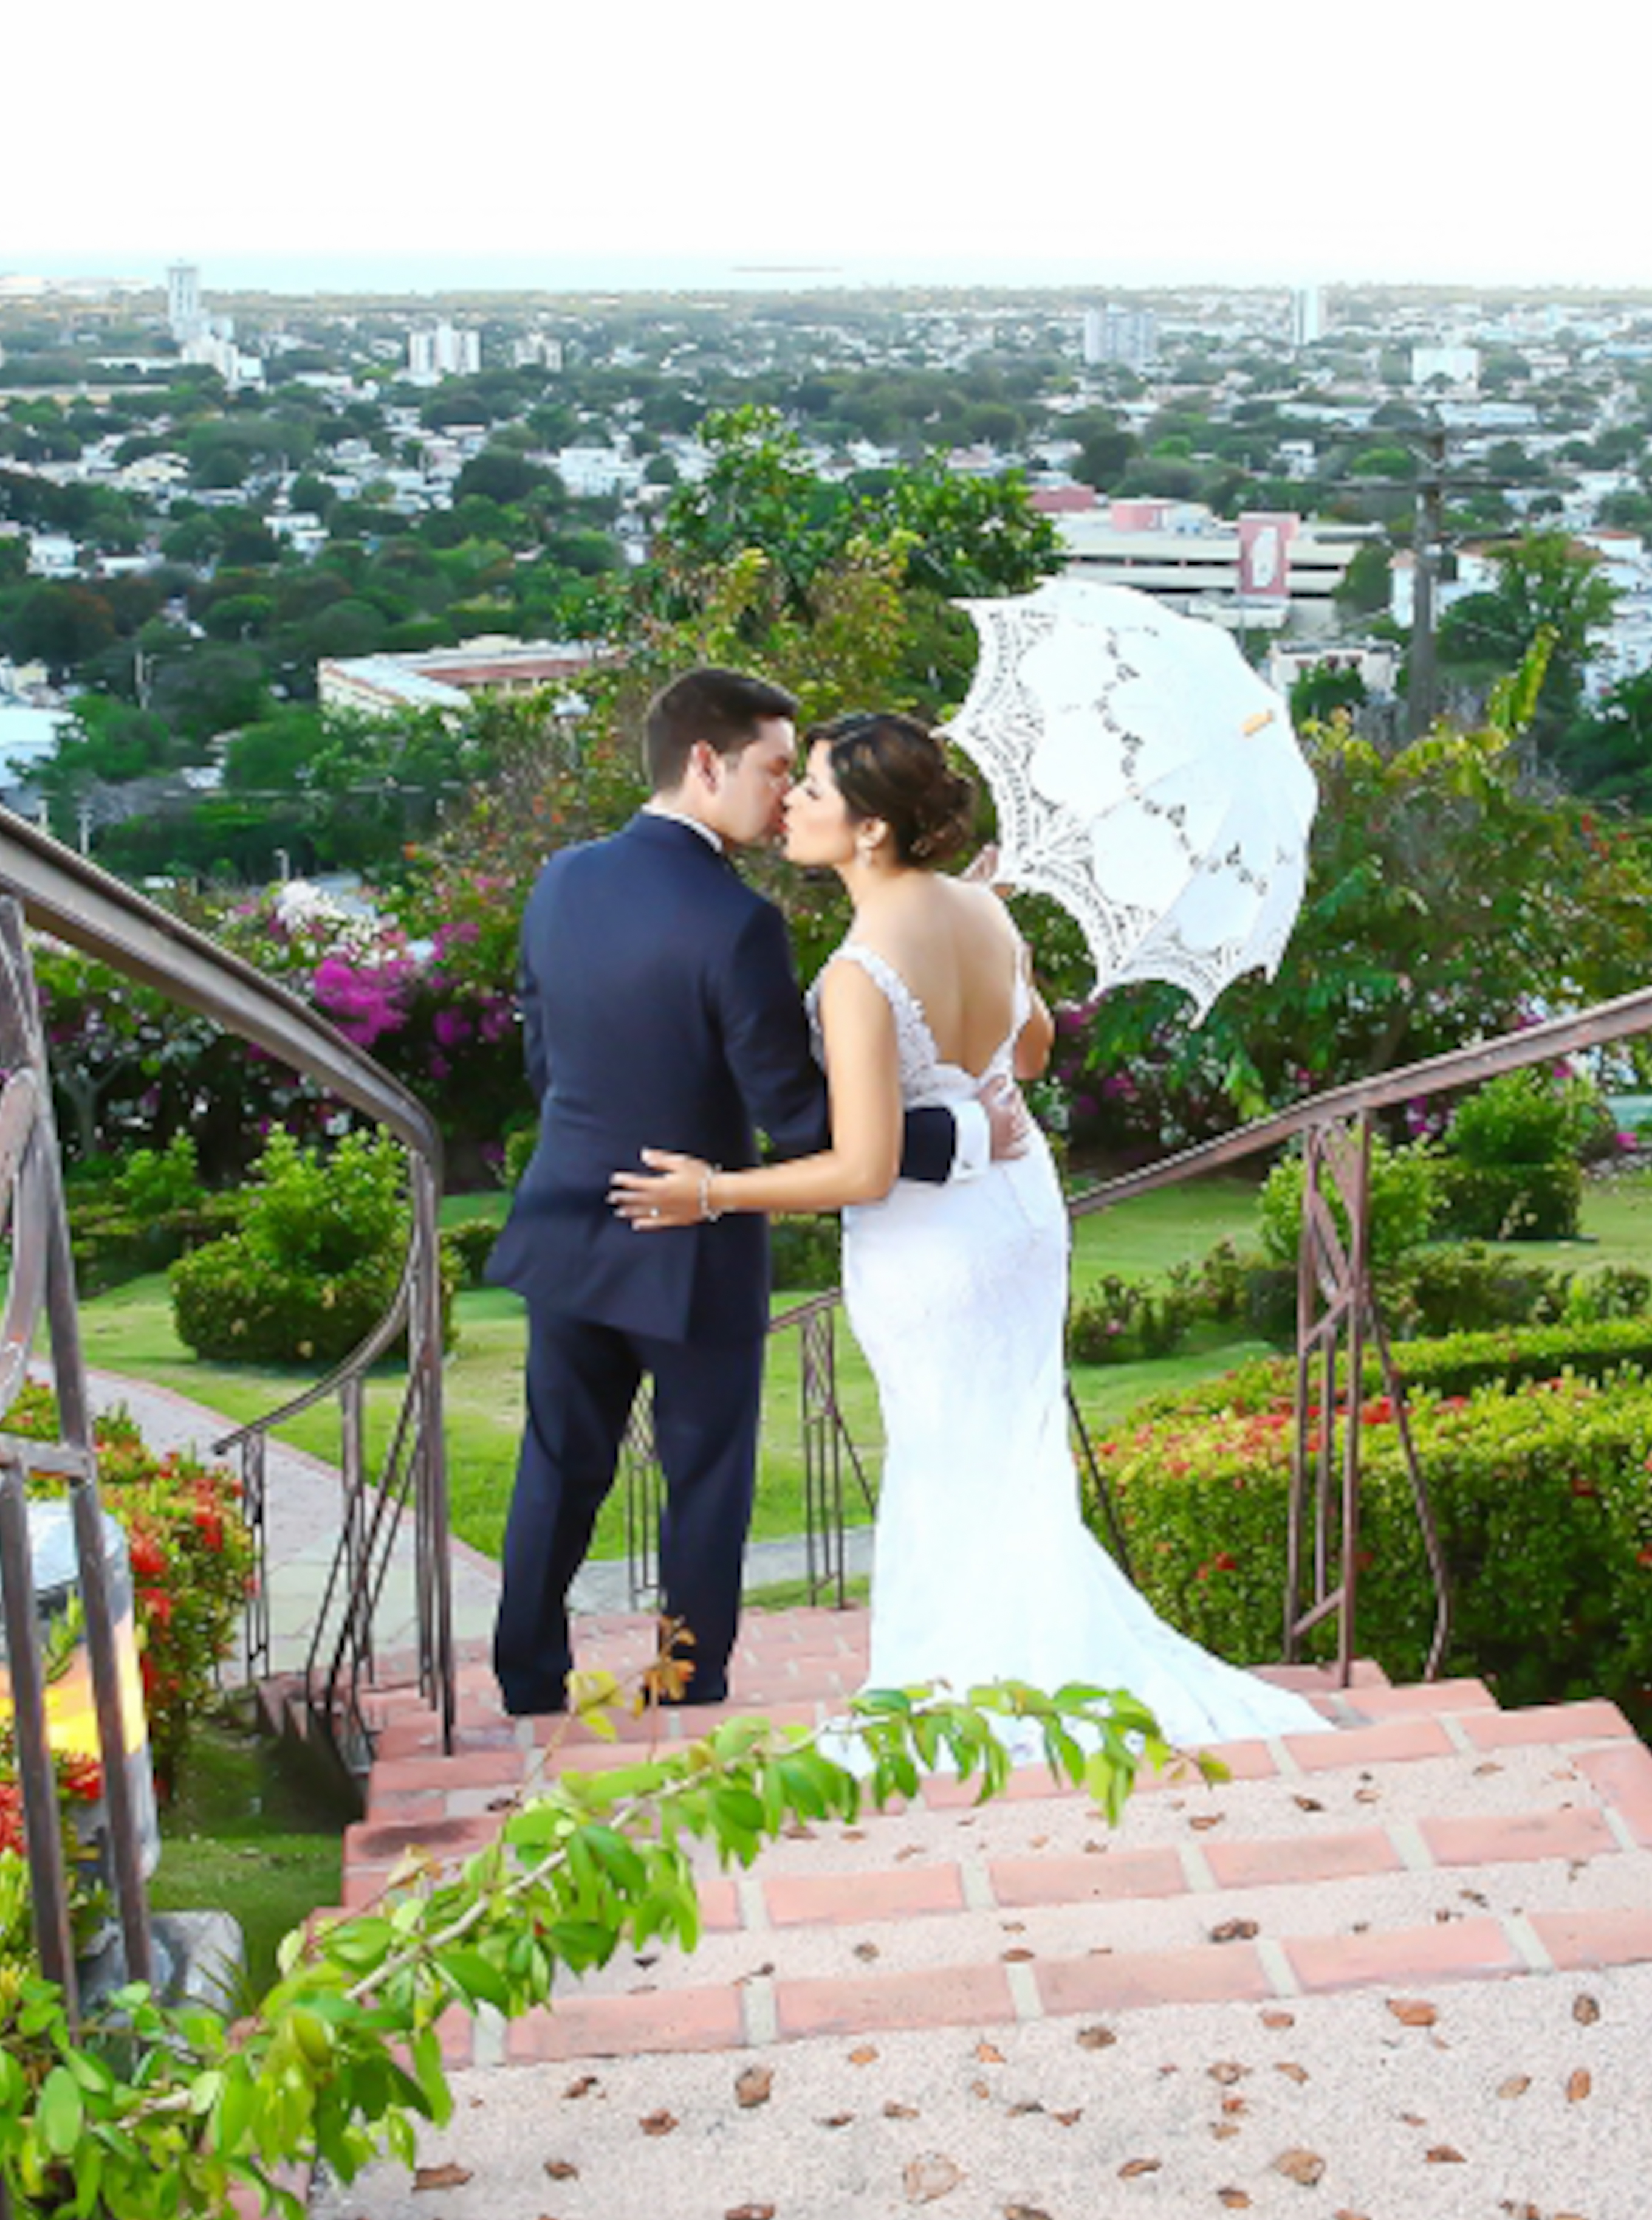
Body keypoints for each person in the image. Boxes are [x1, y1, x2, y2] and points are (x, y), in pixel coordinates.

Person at [608, 713, 1325, 1747]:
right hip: (1020, 1216)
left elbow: (860, 1166)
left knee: (946, 1455)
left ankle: (958, 1687)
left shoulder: (857, 974)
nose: (792, 806)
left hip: (931, 1244)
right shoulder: (984, 913)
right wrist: (1004, 942)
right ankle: (1012, 1669)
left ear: (869, 831)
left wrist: (711, 1192)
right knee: (1005, 1455)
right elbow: (1028, 1058)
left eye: (812, 790)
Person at [485, 670, 1016, 1716]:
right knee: (707, 1475)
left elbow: (543, 1060)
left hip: (571, 1222)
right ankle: (685, 1683)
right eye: (776, 769)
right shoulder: (737, 924)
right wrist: (958, 1132)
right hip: (692, 1242)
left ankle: (527, 1681)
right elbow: (808, 1124)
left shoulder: (560, 881)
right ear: (704, 764)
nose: (784, 797)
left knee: (559, 1461)